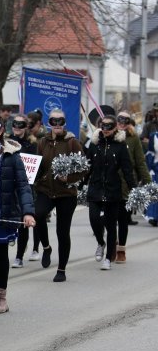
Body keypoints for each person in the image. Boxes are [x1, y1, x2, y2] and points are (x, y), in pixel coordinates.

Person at [0, 114, 36, 314]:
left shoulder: (11, 155)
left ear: (1, 130)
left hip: (1, 212)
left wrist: (28, 212)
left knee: (0, 253)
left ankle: (1, 297)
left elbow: (22, 185)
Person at [33, 110, 86, 282]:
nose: (57, 125)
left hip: (66, 193)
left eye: (60, 121)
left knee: (62, 232)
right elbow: (37, 165)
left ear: (64, 122)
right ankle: (46, 247)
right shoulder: (42, 142)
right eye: (53, 121)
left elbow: (84, 169)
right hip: (46, 190)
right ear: (49, 122)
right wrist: (33, 176)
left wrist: (69, 178)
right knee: (37, 215)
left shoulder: (72, 143)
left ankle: (61, 269)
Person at [86, 116, 136, 270]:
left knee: (110, 224)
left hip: (113, 190)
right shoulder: (94, 145)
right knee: (94, 219)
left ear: (115, 128)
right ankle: (101, 243)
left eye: (109, 126)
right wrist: (79, 184)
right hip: (95, 188)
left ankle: (108, 258)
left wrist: (134, 189)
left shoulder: (121, 147)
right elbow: (87, 167)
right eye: (103, 126)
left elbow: (127, 170)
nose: (106, 129)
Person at [113, 111, 151, 262]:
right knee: (107, 218)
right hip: (110, 182)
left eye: (125, 120)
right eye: (119, 119)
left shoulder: (134, 139)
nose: (122, 122)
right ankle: (111, 244)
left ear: (129, 122)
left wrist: (148, 183)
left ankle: (121, 249)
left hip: (127, 183)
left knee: (123, 218)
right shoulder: (109, 135)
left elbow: (140, 162)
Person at [9, 114, 40, 267]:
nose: (17, 127)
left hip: (24, 185)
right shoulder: (6, 142)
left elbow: (35, 165)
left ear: (26, 127)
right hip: (8, 185)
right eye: (15, 124)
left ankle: (19, 256)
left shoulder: (32, 144)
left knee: (23, 222)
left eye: (21, 124)